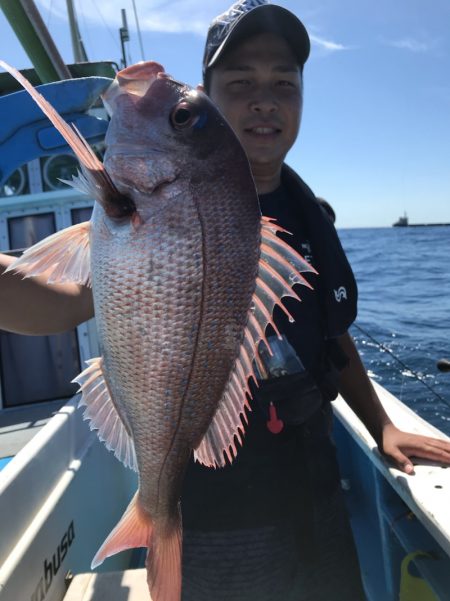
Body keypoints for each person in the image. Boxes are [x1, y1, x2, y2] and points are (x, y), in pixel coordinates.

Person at [1, 1, 450, 599]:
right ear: (209, 91)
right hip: (215, 503)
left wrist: (382, 425)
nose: (264, 99)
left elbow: (332, 336)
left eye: (283, 83)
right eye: (239, 83)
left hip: (315, 484)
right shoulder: (147, 211)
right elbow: (59, 304)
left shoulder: (310, 218)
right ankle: (156, 514)